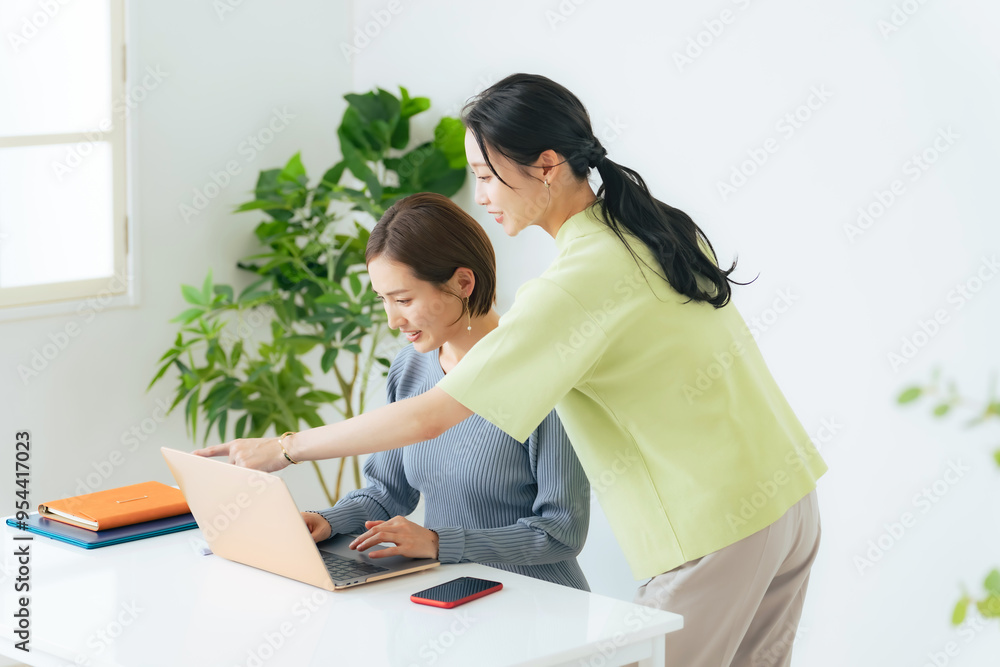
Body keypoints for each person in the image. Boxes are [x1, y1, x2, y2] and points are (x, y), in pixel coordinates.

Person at [197, 74, 826, 666]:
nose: (481, 197)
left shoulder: (577, 282)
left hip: (718, 526)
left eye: (486, 176)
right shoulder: (653, 231)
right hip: (786, 499)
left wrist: (285, 448)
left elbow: (431, 416)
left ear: (546, 166)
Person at [306, 192, 588, 590]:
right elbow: (387, 492)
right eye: (384, 300)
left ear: (463, 283)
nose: (392, 320)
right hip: (451, 593)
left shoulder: (540, 374)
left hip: (538, 600)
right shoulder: (410, 367)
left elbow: (561, 532)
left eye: (403, 299)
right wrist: (326, 520)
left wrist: (441, 543)